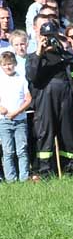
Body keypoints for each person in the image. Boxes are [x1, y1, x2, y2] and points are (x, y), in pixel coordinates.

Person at [27, 20, 73, 176]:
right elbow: (32, 76)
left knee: (68, 136)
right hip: (45, 101)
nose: (49, 40)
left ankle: (70, 171)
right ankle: (45, 172)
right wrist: (40, 52)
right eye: (46, 36)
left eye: (52, 36)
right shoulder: (34, 58)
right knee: (45, 136)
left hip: (67, 101)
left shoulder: (67, 58)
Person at [0, 51, 32, 181]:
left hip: (20, 120)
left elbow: (28, 99)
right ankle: (11, 179)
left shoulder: (21, 78)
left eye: (10, 64)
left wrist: (17, 112)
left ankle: (24, 177)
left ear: (15, 64)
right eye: (5, 64)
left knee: (22, 150)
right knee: (8, 151)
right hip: (4, 120)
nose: (8, 67)